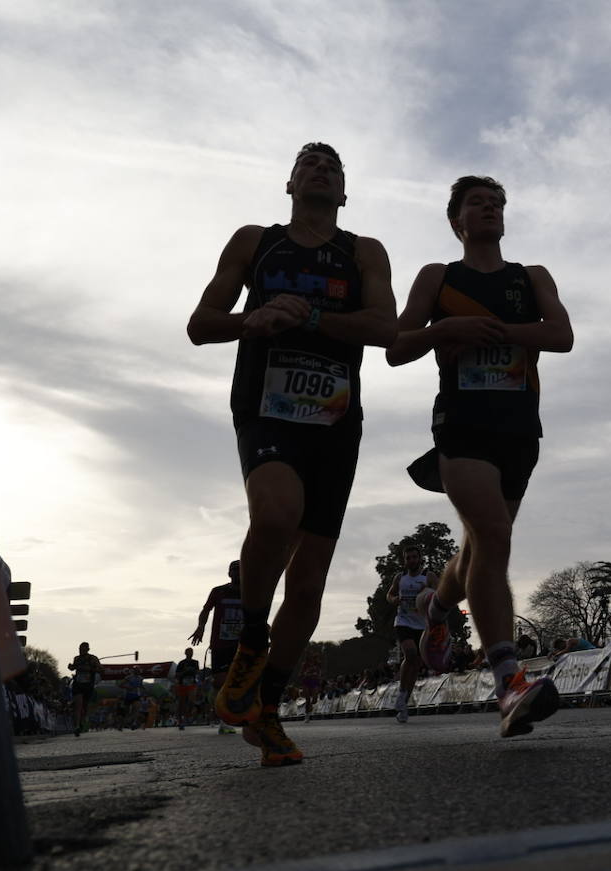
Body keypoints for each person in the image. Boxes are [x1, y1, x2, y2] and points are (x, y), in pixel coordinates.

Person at [186, 143, 396, 766]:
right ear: (289, 183)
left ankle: (266, 712)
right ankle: (253, 640)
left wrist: (307, 322)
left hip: (335, 419)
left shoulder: (364, 251)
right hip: (265, 406)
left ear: (345, 191)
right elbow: (201, 322)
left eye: (333, 165)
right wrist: (257, 318)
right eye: (309, 161)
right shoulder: (256, 241)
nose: (322, 168)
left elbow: (386, 329)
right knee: (276, 514)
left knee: (307, 588)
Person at [387, 176, 574, 738]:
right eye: (478, 203)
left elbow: (561, 335)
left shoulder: (531, 277)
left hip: (519, 427)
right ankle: (509, 683)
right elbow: (397, 346)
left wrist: (500, 332)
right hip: (461, 425)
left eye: (497, 203)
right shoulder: (439, 277)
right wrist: (446, 328)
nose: (489, 208)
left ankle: (437, 612)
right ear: (457, 221)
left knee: (478, 548)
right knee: (493, 536)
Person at [386, 544, 439, 724]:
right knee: (410, 653)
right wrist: (394, 599)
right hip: (403, 622)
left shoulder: (428, 576)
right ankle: (402, 691)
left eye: (414, 557)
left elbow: (440, 595)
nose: (411, 560)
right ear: (404, 560)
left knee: (416, 664)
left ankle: (403, 702)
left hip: (422, 624)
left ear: (420, 558)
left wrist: (428, 595)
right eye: (408, 558)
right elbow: (389, 595)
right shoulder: (400, 578)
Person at [190, 561, 245, 736]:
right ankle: (223, 720)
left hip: (243, 644)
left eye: (240, 570)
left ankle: (244, 716)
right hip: (221, 643)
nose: (237, 573)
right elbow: (206, 610)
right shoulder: (218, 591)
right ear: (229, 574)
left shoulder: (251, 590)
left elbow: (259, 611)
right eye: (234, 570)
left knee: (241, 681)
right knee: (220, 683)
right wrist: (200, 627)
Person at [66, 642, 100, 737]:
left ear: (88, 649)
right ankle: (76, 726)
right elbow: (73, 668)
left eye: (83, 649)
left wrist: (91, 669)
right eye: (80, 648)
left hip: (88, 685)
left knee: (84, 706)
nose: (81, 650)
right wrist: (71, 667)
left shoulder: (93, 658)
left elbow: (101, 669)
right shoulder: (77, 658)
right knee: (78, 705)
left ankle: (81, 722)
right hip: (78, 684)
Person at [173, 648, 200, 730]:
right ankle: (180, 719)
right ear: (185, 653)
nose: (190, 653)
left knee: (191, 700)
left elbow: (197, 672)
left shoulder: (195, 662)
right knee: (182, 702)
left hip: (192, 684)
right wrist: (184, 672)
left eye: (191, 652)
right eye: (189, 652)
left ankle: (187, 716)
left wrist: (193, 671)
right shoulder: (181, 663)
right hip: (183, 684)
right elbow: (176, 674)